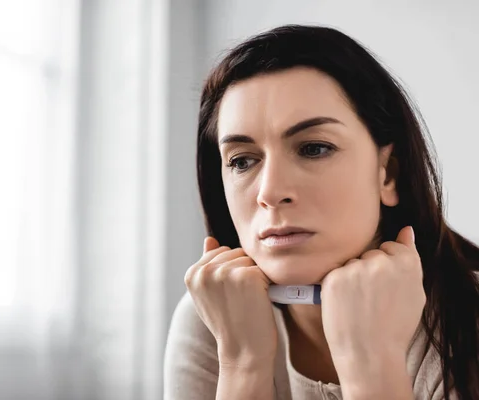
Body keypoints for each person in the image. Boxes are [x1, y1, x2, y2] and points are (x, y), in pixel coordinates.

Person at [163, 25, 479, 400]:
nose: (270, 192)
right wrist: (243, 362)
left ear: (389, 173)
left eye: (313, 149)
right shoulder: (212, 318)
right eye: (243, 160)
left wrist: (371, 363)